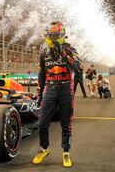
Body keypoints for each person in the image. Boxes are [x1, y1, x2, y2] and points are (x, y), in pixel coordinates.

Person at [32, 21, 80, 168]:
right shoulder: (43, 51)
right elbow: (41, 73)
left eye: (55, 35)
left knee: (66, 124)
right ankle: (44, 149)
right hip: (50, 89)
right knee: (42, 123)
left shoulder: (71, 48)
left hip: (66, 89)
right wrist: (39, 94)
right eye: (50, 35)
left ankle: (66, 152)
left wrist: (62, 51)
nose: (52, 38)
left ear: (61, 35)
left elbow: (76, 67)